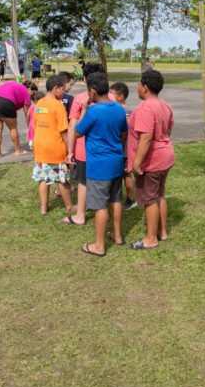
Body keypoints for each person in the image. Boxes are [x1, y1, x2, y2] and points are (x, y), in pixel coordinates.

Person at [73, 72, 128, 257]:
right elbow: (123, 133)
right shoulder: (119, 109)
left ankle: (99, 245)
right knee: (116, 200)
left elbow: (78, 132)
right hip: (116, 161)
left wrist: (84, 111)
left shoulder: (94, 111)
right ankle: (118, 236)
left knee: (100, 206)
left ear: (93, 91)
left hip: (98, 165)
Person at [127, 69, 175, 249]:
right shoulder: (165, 105)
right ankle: (162, 233)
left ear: (145, 88)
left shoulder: (146, 108)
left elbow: (146, 137)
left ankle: (151, 239)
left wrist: (136, 163)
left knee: (150, 199)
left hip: (152, 161)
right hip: (166, 156)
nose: (137, 87)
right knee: (159, 194)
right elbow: (168, 130)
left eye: (139, 84)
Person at [64, 62, 108, 226]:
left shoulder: (80, 99)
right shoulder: (111, 98)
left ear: (85, 79)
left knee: (83, 182)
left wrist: (70, 151)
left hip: (84, 148)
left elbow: (72, 126)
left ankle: (80, 215)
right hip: (106, 148)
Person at [32, 75, 74, 216]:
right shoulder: (58, 105)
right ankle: (69, 207)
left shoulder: (39, 103)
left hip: (40, 146)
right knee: (61, 178)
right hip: (54, 147)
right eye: (63, 89)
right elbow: (64, 131)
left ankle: (43, 208)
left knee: (43, 178)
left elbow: (36, 125)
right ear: (55, 89)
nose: (64, 92)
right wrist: (70, 151)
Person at [0, 80, 32, 157]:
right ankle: (18, 150)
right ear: (30, 89)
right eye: (33, 93)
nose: (32, 97)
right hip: (5, 100)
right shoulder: (26, 92)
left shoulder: (14, 84)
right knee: (13, 128)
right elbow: (27, 114)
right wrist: (30, 128)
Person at [110, 81, 136, 210]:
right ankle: (118, 198)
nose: (108, 96)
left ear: (120, 96)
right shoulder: (130, 111)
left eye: (111, 93)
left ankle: (131, 199)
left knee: (126, 175)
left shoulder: (124, 112)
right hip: (122, 150)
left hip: (124, 150)